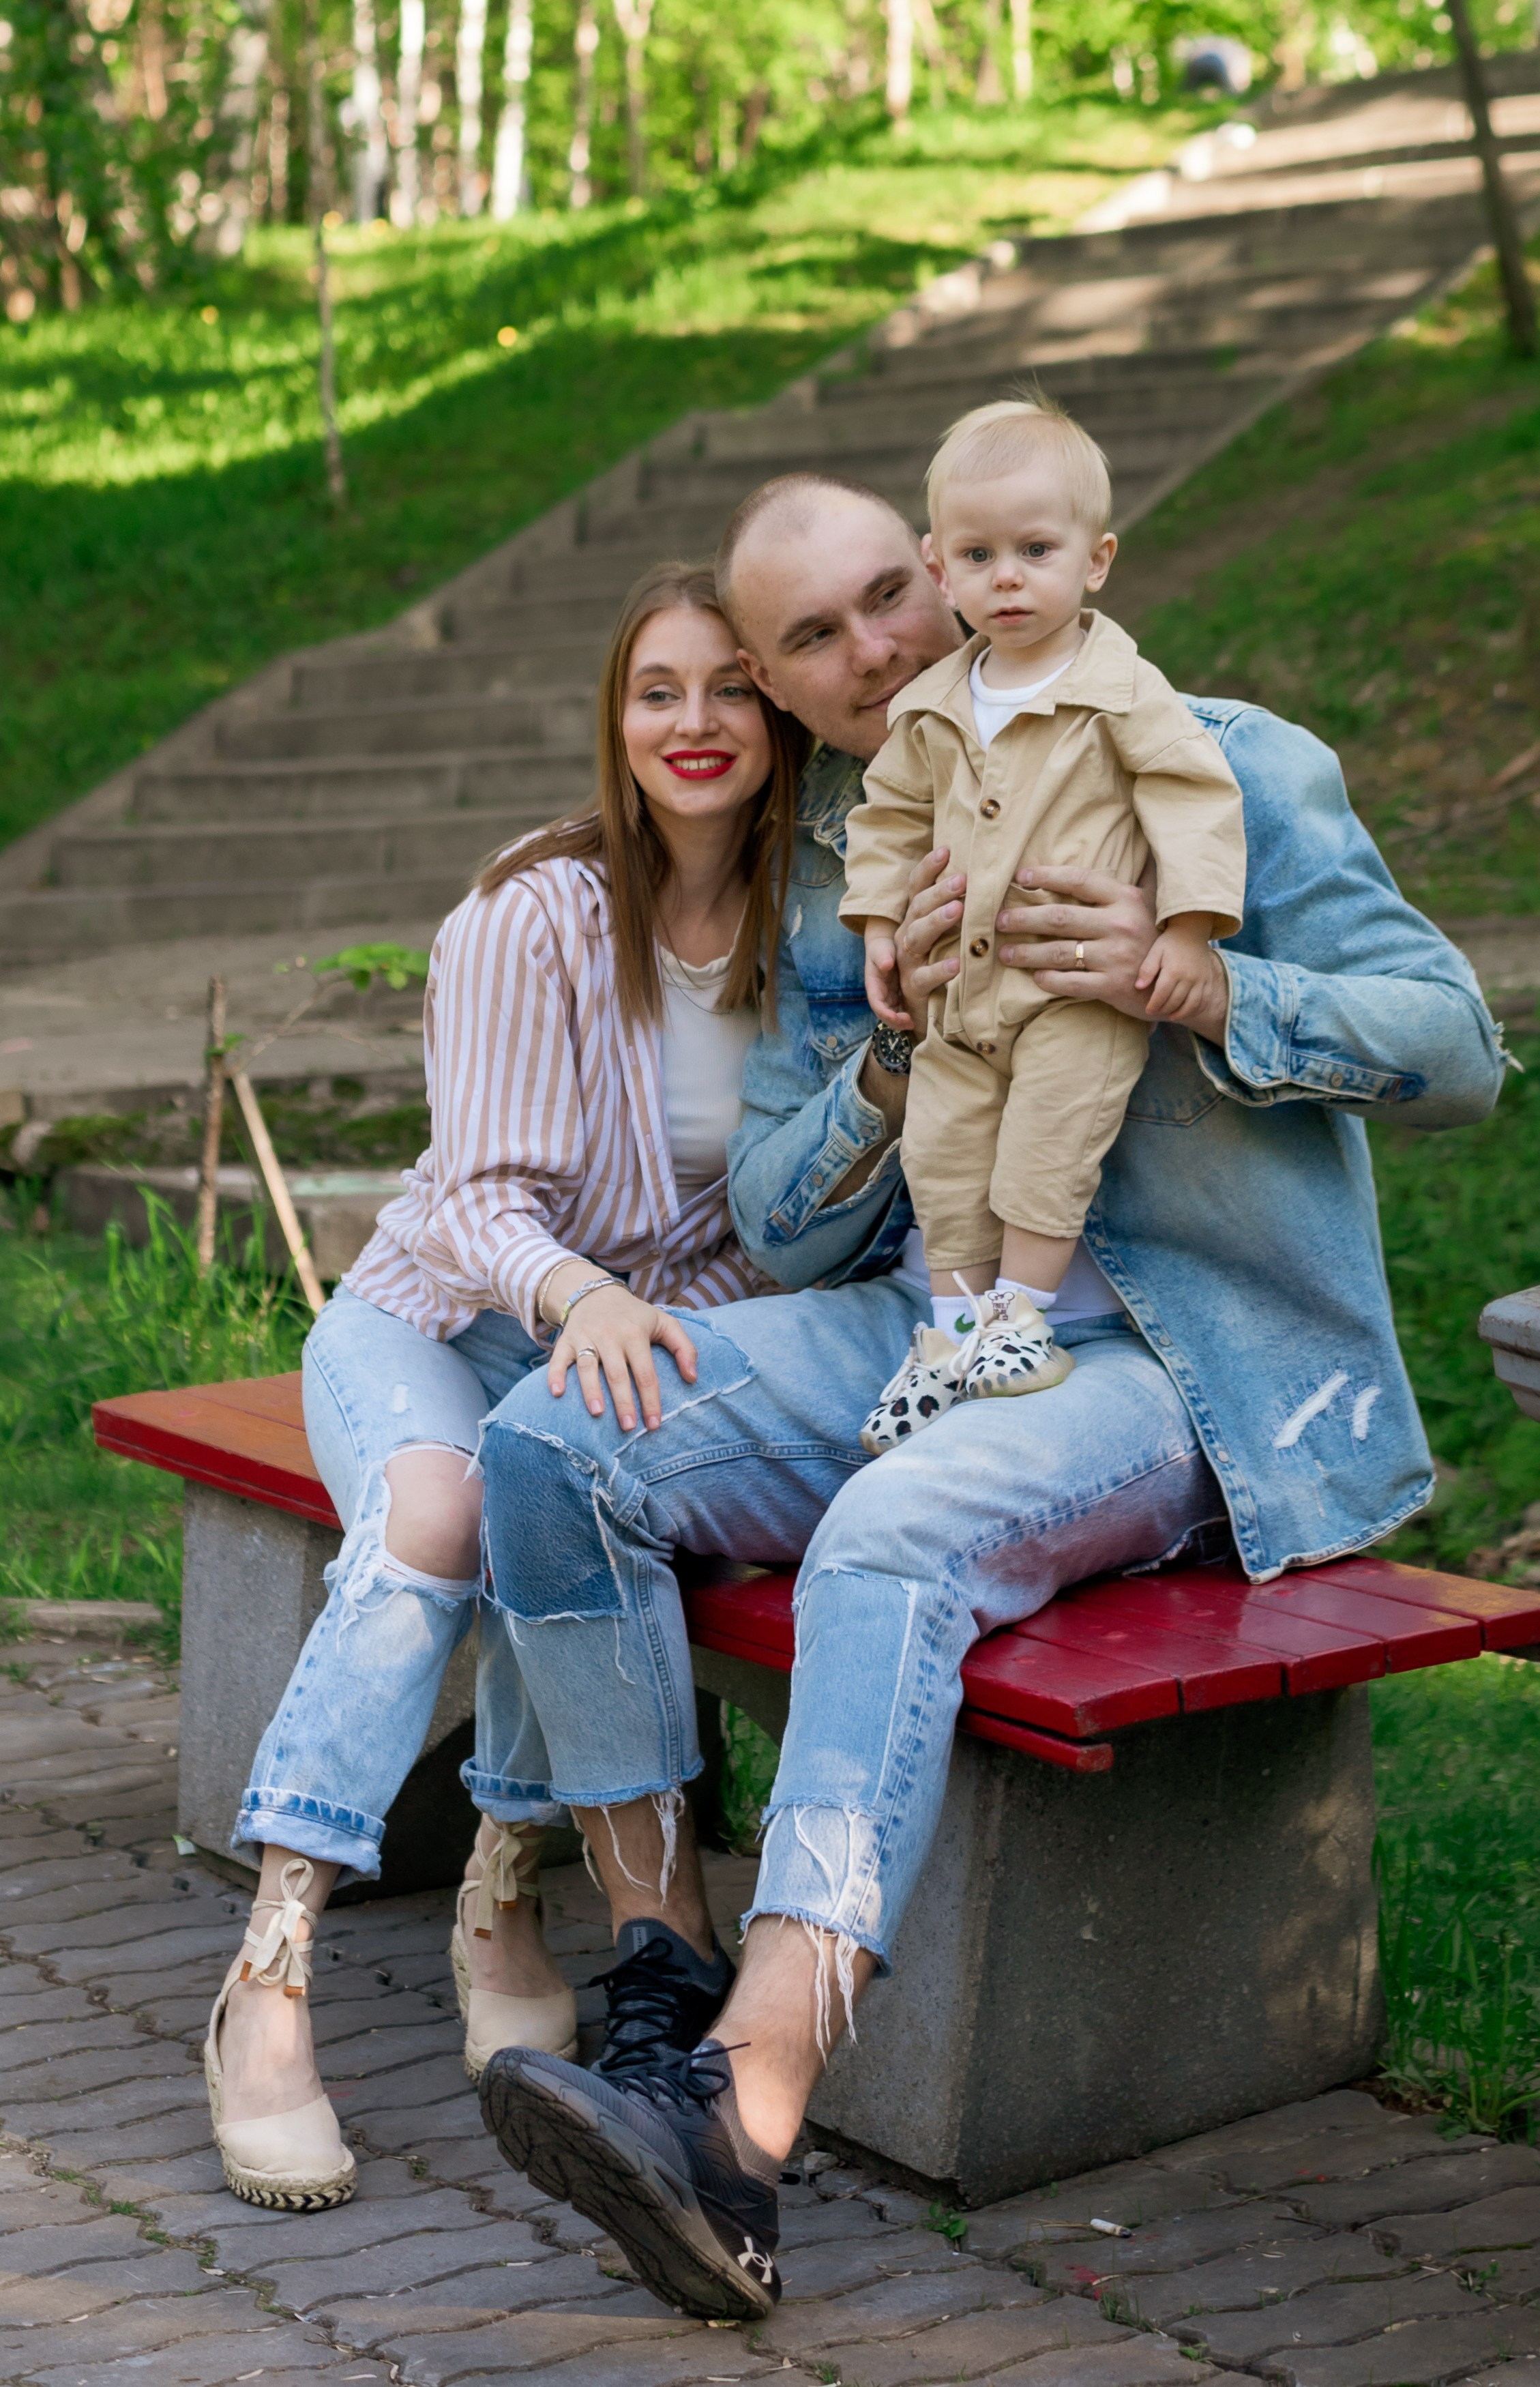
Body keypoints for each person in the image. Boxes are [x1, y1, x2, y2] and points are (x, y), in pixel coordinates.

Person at [471, 469, 1507, 2323]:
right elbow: (787, 1228)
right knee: (557, 1437)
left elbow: (1456, 1053)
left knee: (899, 1527)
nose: (878, 643)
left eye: (893, 589)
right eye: (813, 636)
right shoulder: (826, 863)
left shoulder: (1221, 756)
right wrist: (878, 1057)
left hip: (1182, 1364)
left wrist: (1194, 982)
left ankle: (744, 2123)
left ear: (953, 567)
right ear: (781, 693)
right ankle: (659, 1969)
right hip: (922, 1321)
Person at [203, 559, 807, 2211]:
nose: (695, 723)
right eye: (656, 689)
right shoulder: (531, 906)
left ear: (781, 712)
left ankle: (500, 1883)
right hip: (436, 1317)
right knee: (444, 1508)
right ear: (614, 719)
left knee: (568, 1474)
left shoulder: (811, 923)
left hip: (624, 1355)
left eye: (731, 687)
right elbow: (473, 1202)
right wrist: (587, 1295)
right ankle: (273, 1970)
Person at [844, 398, 1246, 1448]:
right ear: (939, 569)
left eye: (1035, 549)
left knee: (1045, 1146)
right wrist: (881, 921)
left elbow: (1192, 797)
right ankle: (952, 1337)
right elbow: (885, 815)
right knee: (943, 1154)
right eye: (978, 556)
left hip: (1070, 989)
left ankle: (1021, 1320)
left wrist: (1188, 928)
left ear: (1095, 559)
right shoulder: (933, 702)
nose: (1007, 577)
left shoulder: (1121, 693)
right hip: (960, 1001)